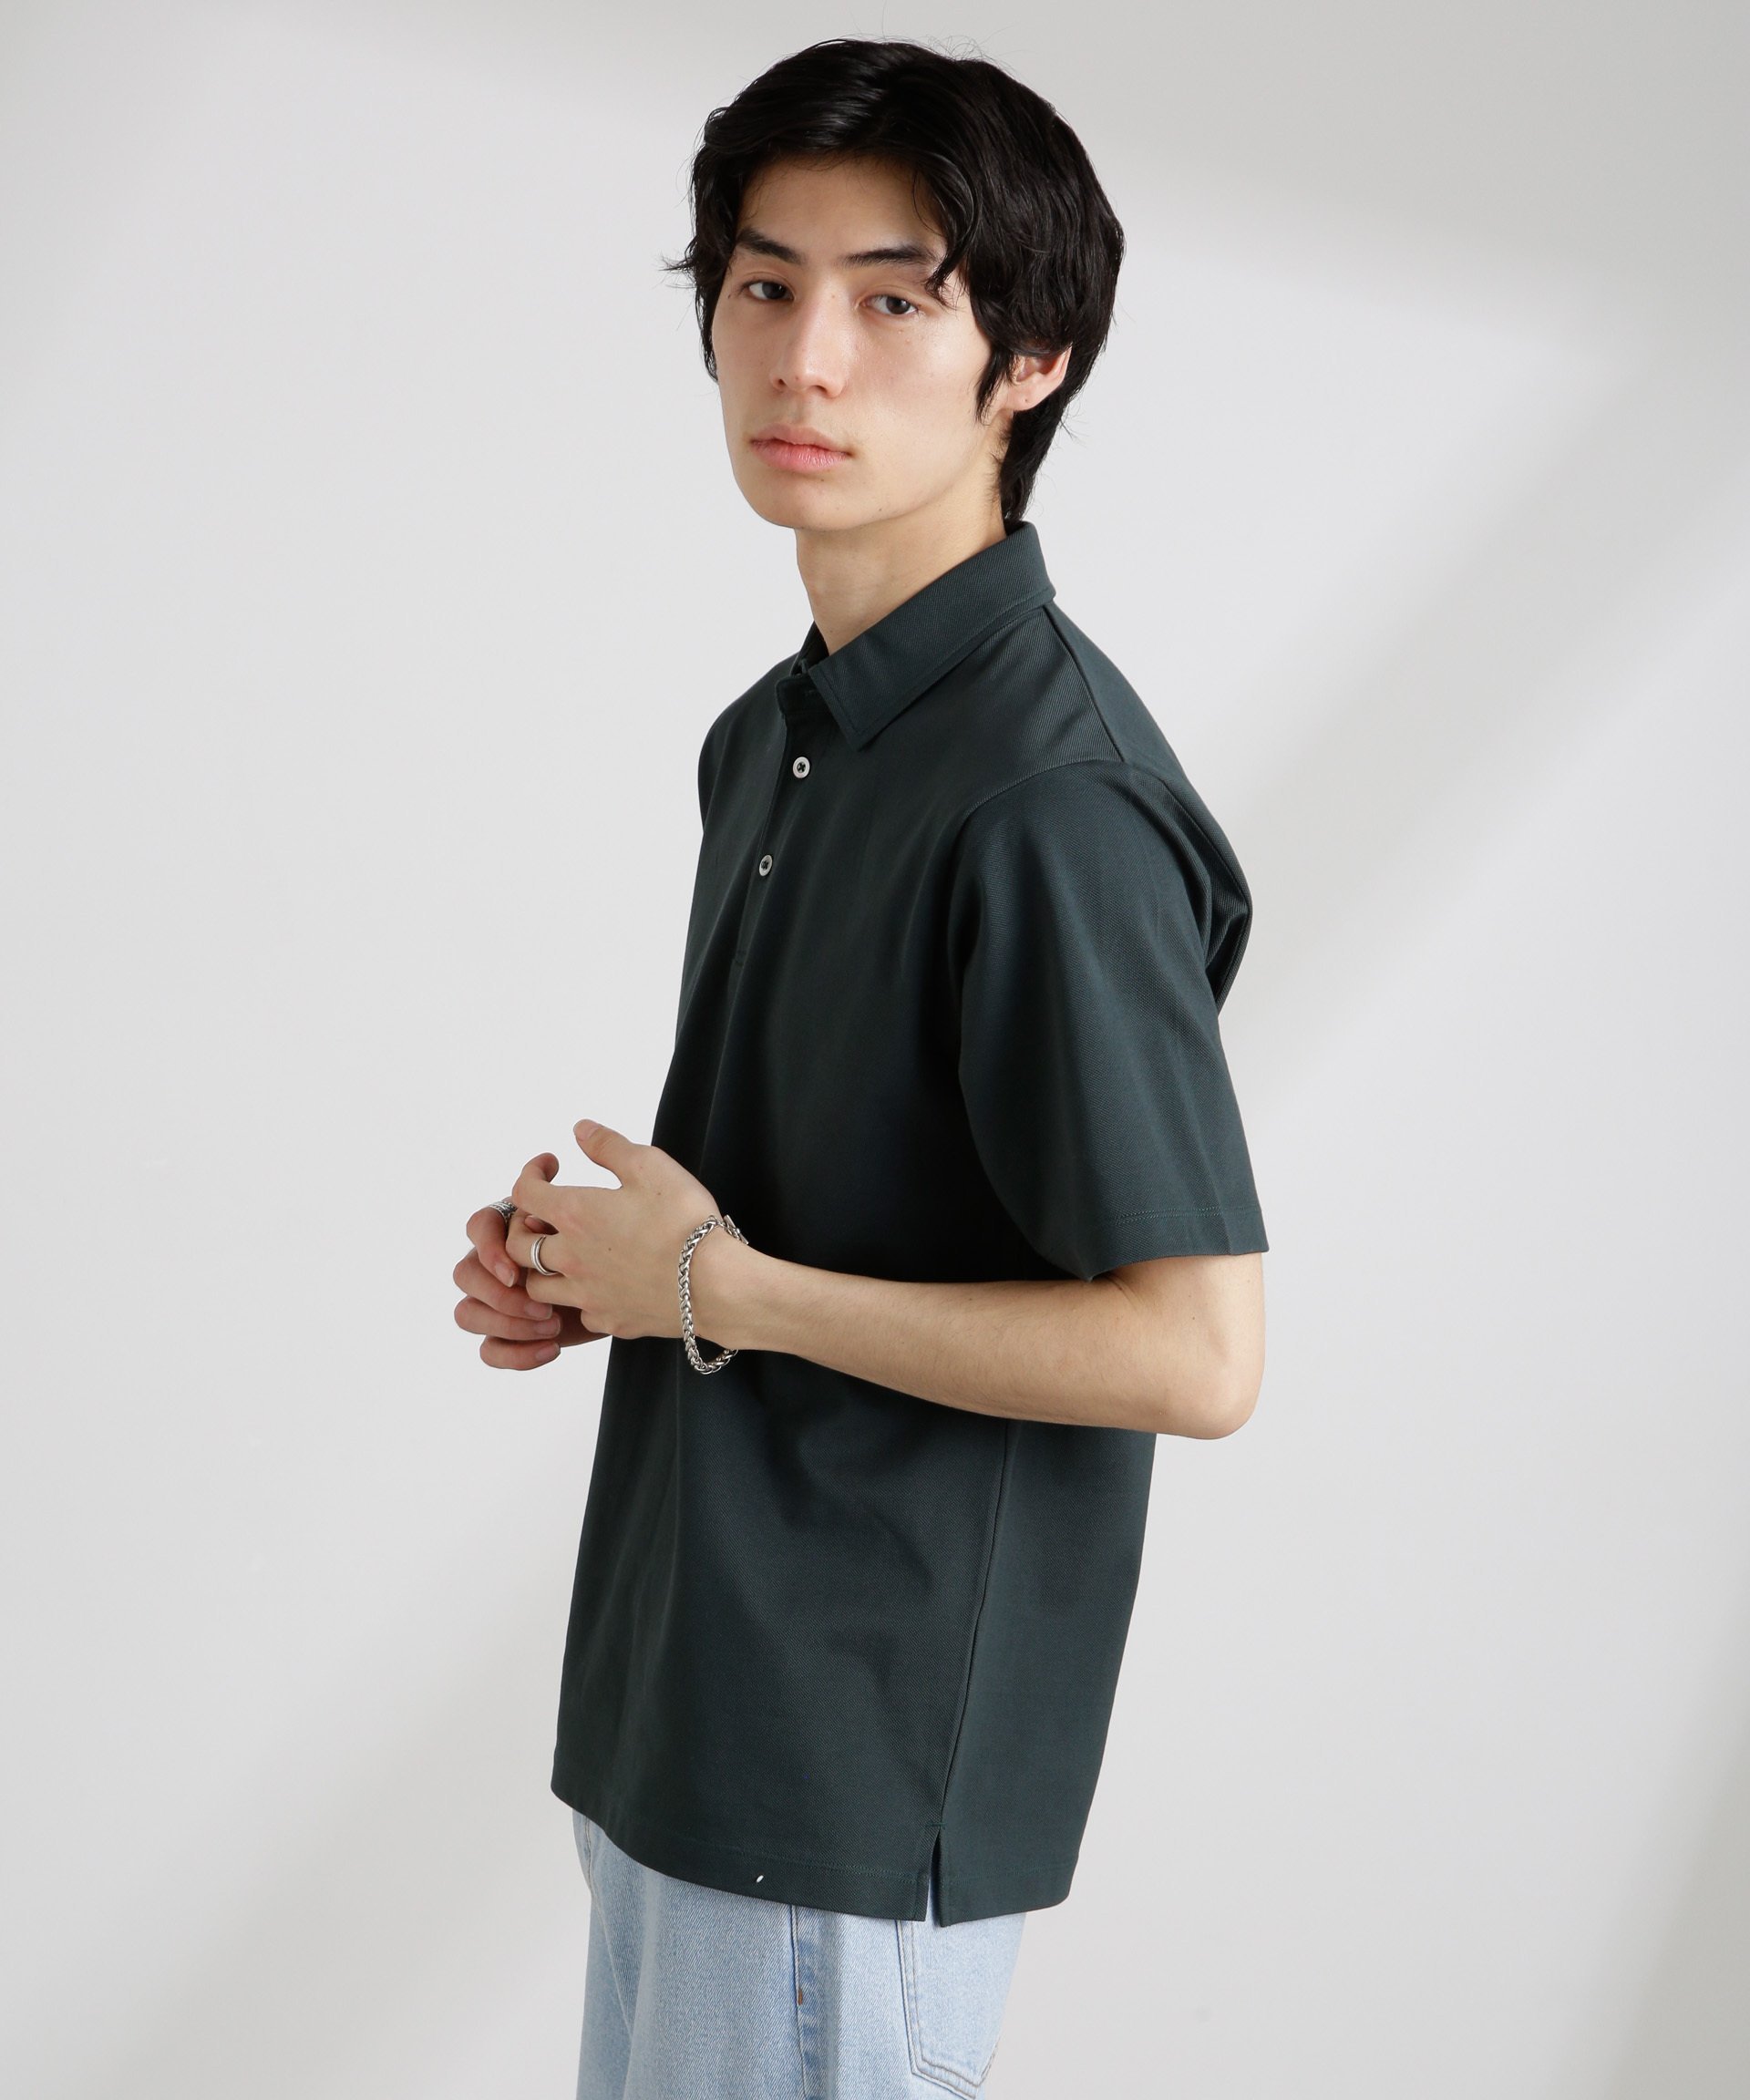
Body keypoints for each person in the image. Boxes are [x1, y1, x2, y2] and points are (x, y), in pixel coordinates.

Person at [450, 36, 1268, 2100]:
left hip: (849, 1772)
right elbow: (824, 1204)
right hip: (681, 1721)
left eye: (898, 301)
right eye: (763, 282)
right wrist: (604, 1274)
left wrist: (712, 1288)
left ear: (1031, 363)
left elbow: (1196, 1353)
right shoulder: (780, 736)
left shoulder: (1051, 801)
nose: (805, 357)